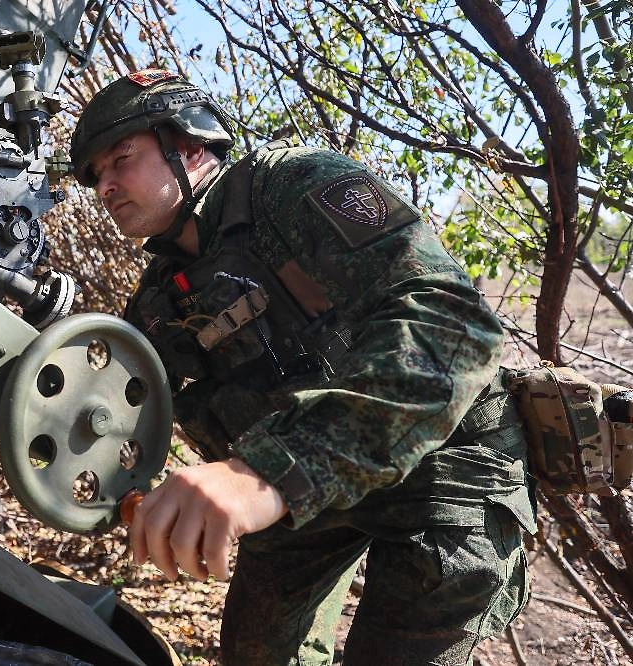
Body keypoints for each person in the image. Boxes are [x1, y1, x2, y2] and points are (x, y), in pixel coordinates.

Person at [69, 69, 536, 666]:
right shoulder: (162, 296)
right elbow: (113, 405)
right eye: (95, 176)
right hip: (310, 489)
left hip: (444, 464)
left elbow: (451, 325)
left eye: (121, 158)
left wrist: (265, 476)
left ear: (188, 143)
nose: (104, 186)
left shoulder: (294, 186)